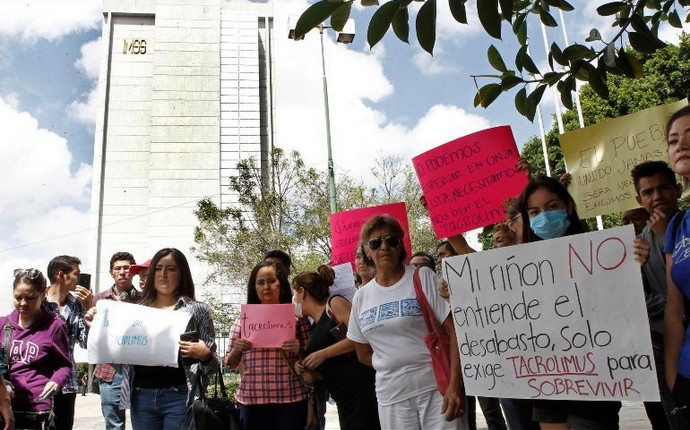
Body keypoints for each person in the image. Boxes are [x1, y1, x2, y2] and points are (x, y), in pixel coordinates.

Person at [519, 175, 621, 429]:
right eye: (535, 212)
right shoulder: (517, 268)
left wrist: (634, 263)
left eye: (552, 207)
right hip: (550, 377)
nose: (544, 216)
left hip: (595, 380)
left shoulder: (603, 254)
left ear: (569, 207)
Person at [347, 215, 467, 429]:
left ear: (400, 245)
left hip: (437, 390)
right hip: (391, 398)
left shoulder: (423, 277)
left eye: (391, 240)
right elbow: (362, 353)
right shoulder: (361, 297)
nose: (384, 246)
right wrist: (393, 363)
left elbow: (454, 329)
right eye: (375, 242)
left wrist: (455, 384)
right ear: (366, 251)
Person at [118, 248, 219, 429]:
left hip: (180, 396)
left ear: (182, 273)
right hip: (141, 396)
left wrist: (206, 355)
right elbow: (117, 347)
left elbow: (214, 365)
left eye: (171, 269)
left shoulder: (197, 310)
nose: (163, 274)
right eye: (158, 269)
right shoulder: (136, 311)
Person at [631, 160, 688, 430]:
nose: (657, 197)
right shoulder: (636, 245)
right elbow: (636, 298)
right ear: (639, 199)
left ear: (677, 189)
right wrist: (676, 310)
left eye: (663, 188)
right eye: (648, 192)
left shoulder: (686, 226)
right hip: (666, 350)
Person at [223, 261, 310, 430]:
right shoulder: (243, 320)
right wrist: (236, 350)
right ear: (254, 287)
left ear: (281, 284)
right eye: (260, 282)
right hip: (251, 400)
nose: (266, 287)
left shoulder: (296, 319)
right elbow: (229, 363)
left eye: (271, 281)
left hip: (290, 399)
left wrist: (300, 350)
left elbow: (311, 357)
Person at [292, 265, 380, 430]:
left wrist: (324, 354)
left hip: (361, 390)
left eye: (294, 293)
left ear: (302, 292)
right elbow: (322, 374)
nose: (294, 299)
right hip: (343, 397)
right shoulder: (314, 327)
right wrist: (305, 369)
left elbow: (361, 337)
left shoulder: (334, 304)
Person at [1, 268, 72, 430]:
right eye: (18, 298)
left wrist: (56, 381)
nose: (23, 303)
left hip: (37, 411)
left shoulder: (55, 326)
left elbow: (65, 365)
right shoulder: (3, 325)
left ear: (43, 294)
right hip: (6, 409)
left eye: (30, 298)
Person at [90, 251, 139, 430]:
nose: (122, 272)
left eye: (126, 268)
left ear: (133, 271)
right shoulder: (99, 300)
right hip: (109, 370)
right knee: (113, 424)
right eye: (118, 268)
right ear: (111, 272)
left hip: (140, 371)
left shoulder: (145, 299)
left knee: (143, 422)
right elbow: (90, 337)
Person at [664, 105, 690, 420]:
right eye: (673, 140)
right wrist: (673, 377)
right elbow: (675, 310)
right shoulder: (678, 226)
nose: (680, 145)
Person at [45, 255, 91, 430]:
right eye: (76, 273)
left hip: (68, 381)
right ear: (60, 275)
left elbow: (86, 342)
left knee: (64, 426)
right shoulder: (39, 300)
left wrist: (89, 310)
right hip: (41, 377)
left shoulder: (76, 304)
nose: (79, 278)